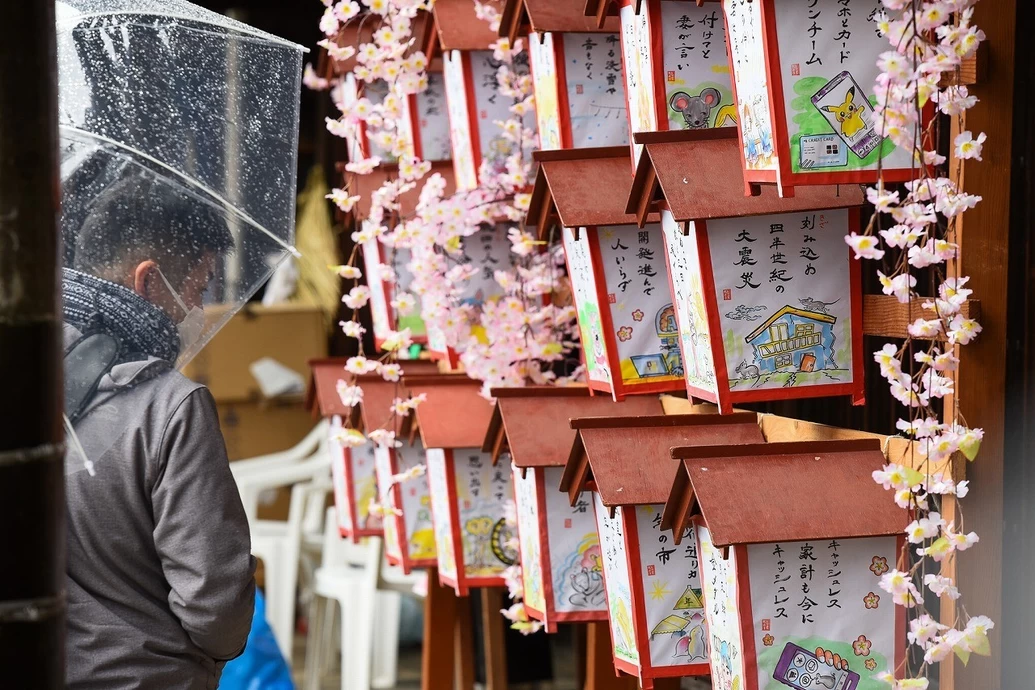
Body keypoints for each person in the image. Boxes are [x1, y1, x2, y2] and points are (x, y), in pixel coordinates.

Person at [62, 172, 256, 689]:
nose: (198, 309)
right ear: (148, 282)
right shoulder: (171, 407)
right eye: (198, 286)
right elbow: (216, 608)